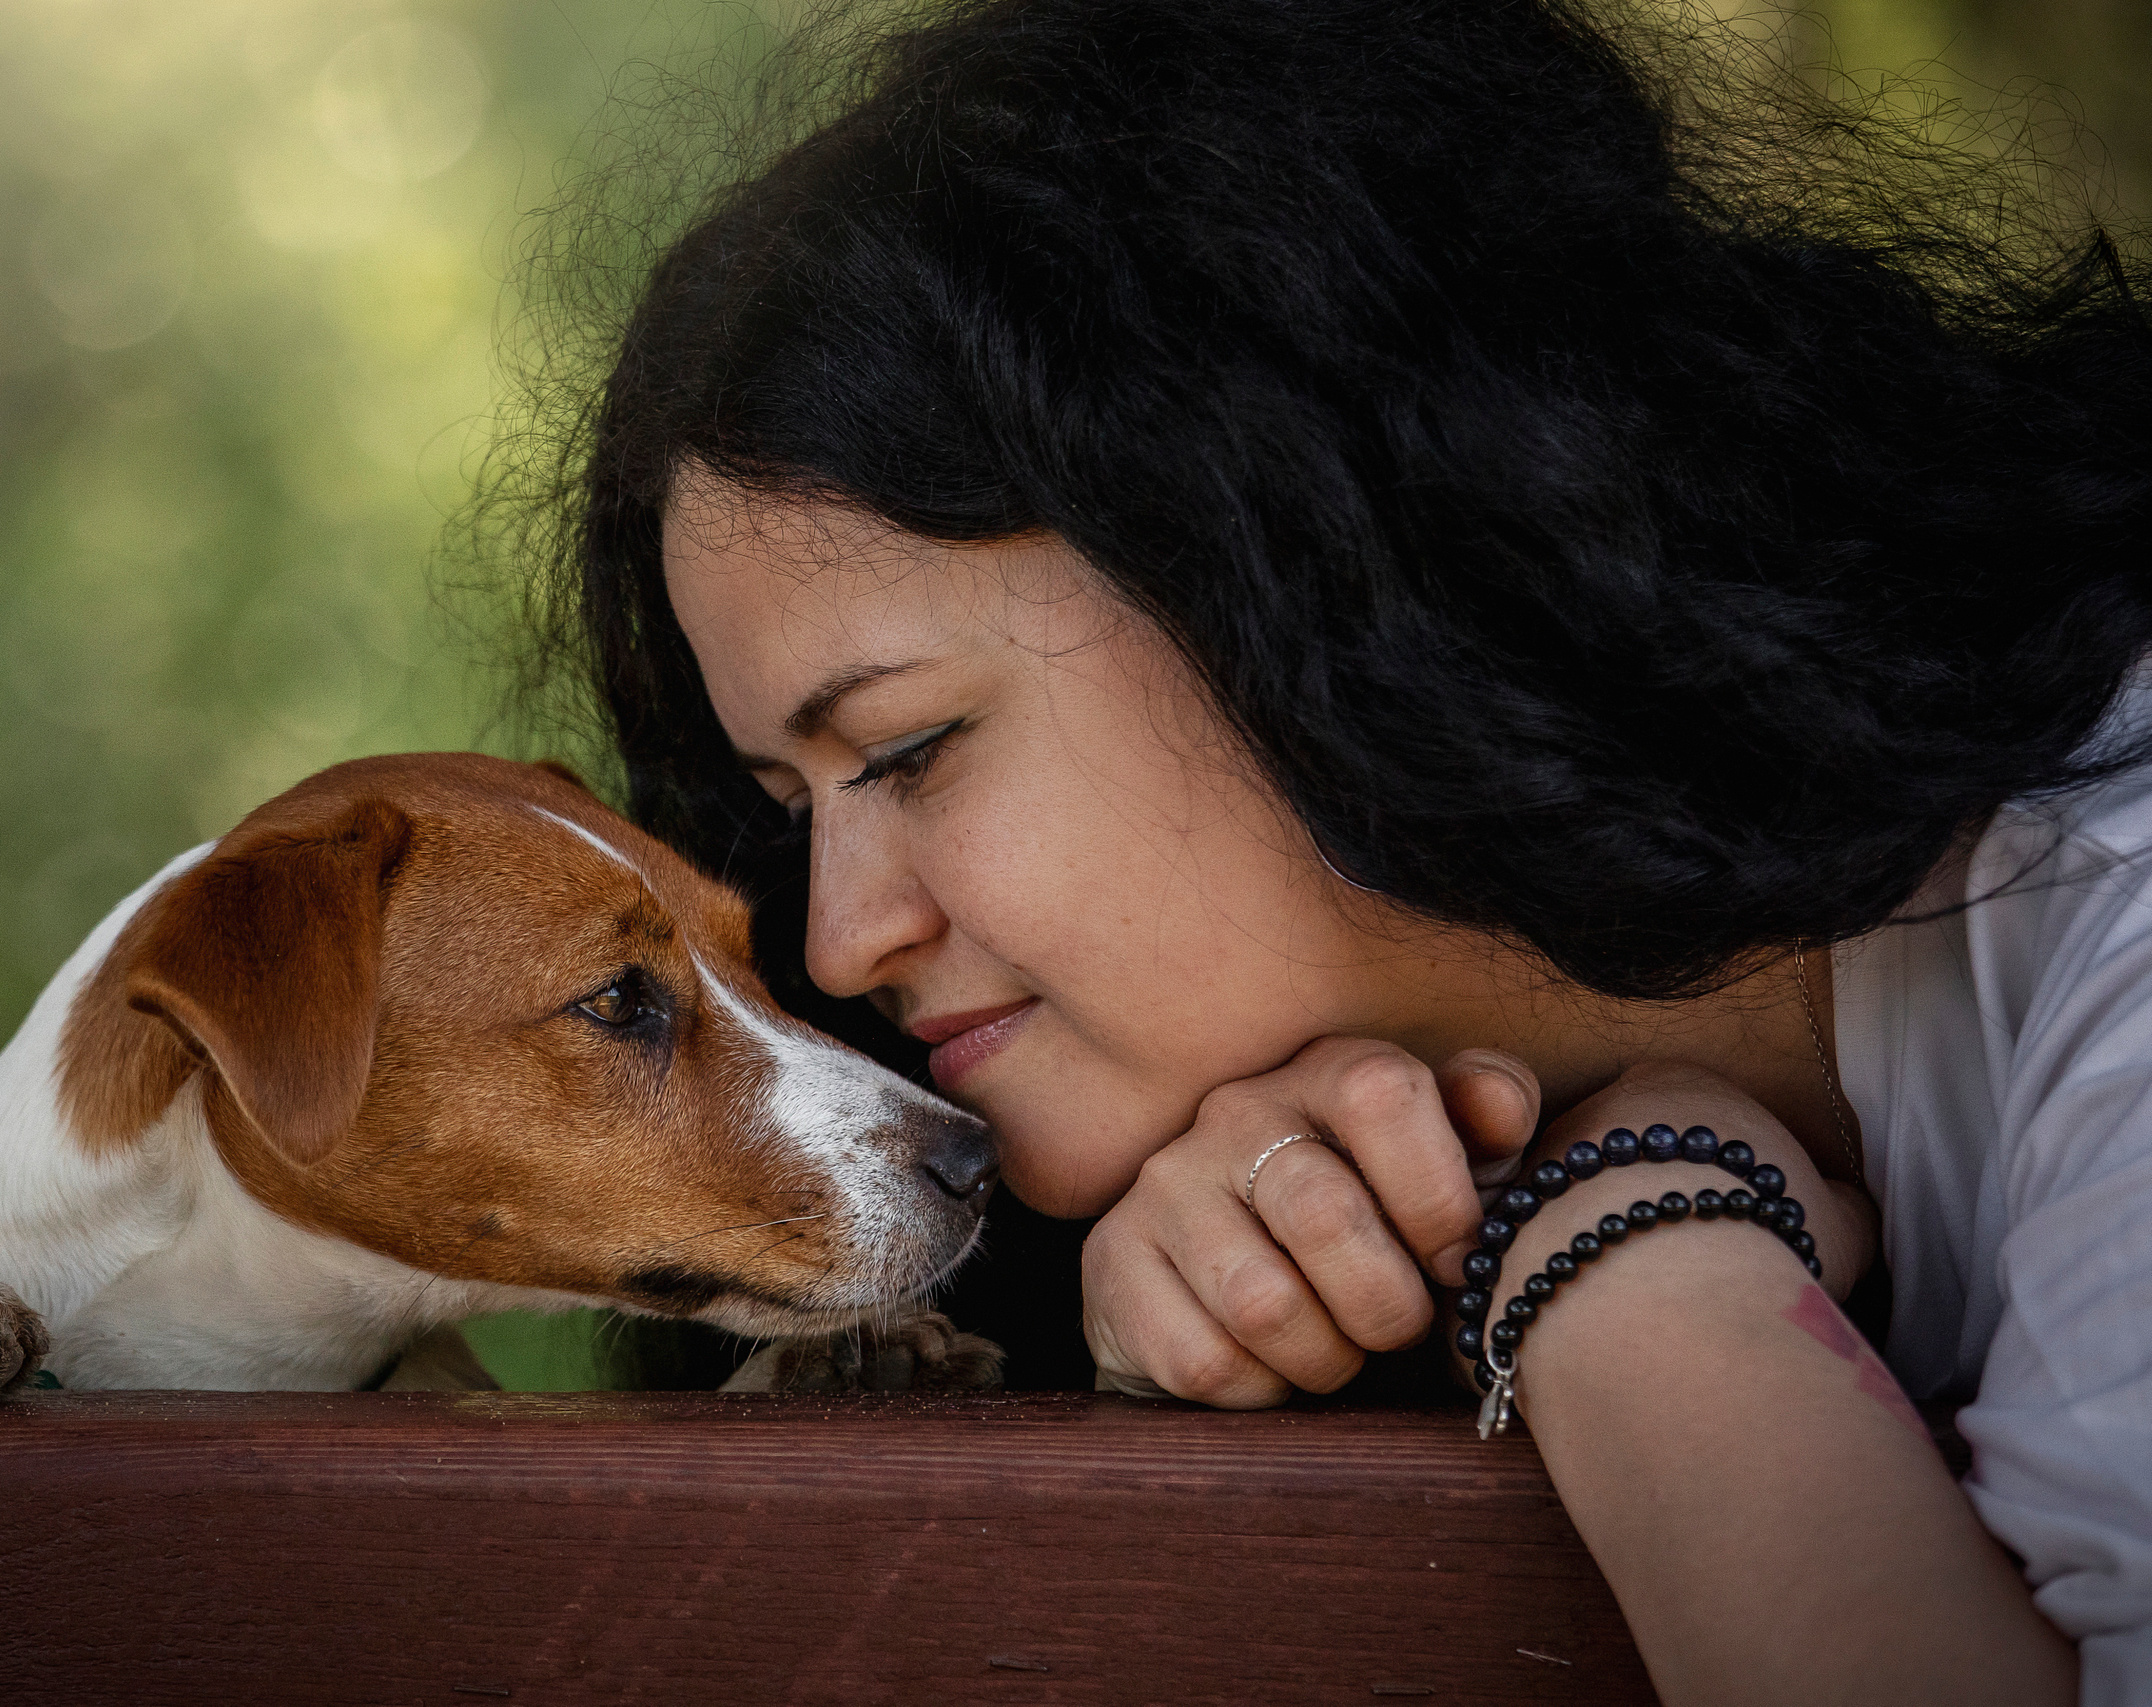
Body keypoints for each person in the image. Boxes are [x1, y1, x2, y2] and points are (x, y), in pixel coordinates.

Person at [531, 0, 2152, 1698]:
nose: (841, 939)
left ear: (1298, 557)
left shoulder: (2113, 897)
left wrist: (1630, 1248)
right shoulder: (1281, 1208)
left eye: (908, 750)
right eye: (794, 816)